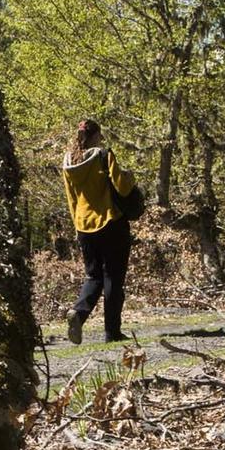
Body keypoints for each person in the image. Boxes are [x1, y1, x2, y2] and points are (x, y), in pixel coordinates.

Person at [60, 119, 137, 344]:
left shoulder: (68, 162)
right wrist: (130, 177)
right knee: (113, 276)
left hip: (84, 225)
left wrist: (77, 225)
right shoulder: (103, 156)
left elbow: (71, 199)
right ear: (96, 136)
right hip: (110, 221)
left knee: (94, 276)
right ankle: (112, 332)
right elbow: (122, 188)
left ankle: (79, 313)